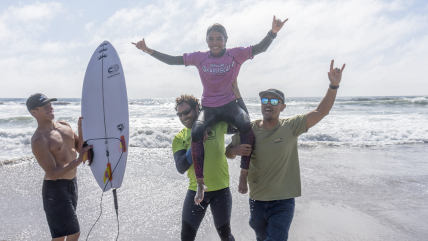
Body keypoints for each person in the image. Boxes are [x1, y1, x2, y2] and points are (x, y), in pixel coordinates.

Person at [133, 16, 288, 203]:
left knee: (245, 123)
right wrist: (148, 50)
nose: (215, 43)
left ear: (225, 40)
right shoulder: (200, 58)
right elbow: (173, 60)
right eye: (211, 39)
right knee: (197, 132)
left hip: (230, 105)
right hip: (209, 108)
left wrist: (273, 33)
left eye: (219, 39)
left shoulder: (235, 54)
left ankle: (243, 173)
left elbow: (260, 48)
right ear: (207, 41)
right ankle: (200, 182)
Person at [226, 60, 346, 241]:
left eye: (274, 101)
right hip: (256, 200)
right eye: (264, 100)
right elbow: (227, 152)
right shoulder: (249, 129)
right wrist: (235, 150)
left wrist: (333, 85)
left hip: (283, 202)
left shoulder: (291, 126)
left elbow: (321, 111)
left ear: (282, 107)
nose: (268, 104)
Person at [172, 80, 248, 241]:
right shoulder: (179, 138)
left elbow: (244, 122)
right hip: (195, 190)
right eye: (179, 114)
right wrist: (196, 142)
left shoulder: (217, 125)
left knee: (225, 235)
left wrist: (238, 97)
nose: (183, 117)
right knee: (186, 237)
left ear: (197, 108)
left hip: (221, 190)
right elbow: (180, 167)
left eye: (186, 112)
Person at [28, 93, 92, 241]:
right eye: (45, 107)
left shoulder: (64, 125)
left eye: (50, 104)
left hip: (72, 184)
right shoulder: (39, 140)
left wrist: (80, 130)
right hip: (55, 190)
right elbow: (53, 173)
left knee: (62, 234)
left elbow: (78, 147)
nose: (50, 108)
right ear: (34, 112)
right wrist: (78, 160)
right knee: (72, 232)